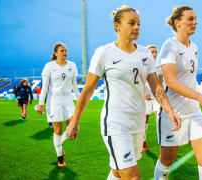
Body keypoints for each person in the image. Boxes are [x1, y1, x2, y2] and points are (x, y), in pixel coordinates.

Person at [66, 6, 181, 180]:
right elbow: (88, 89)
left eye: (138, 24)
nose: (137, 27)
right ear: (117, 26)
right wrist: (75, 121)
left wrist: (170, 111)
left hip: (137, 122)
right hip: (115, 123)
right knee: (132, 176)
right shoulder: (104, 53)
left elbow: (157, 88)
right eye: (132, 23)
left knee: (118, 172)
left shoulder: (145, 54)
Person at [154, 6, 202, 180]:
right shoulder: (169, 45)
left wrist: (197, 100)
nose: (195, 22)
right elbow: (171, 81)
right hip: (173, 114)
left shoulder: (194, 46)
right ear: (177, 23)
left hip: (194, 112)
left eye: (195, 18)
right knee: (166, 161)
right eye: (190, 19)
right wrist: (200, 96)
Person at [37, 42, 80, 167]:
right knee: (58, 129)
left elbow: (75, 85)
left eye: (66, 50)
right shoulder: (49, 66)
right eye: (62, 51)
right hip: (53, 101)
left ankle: (59, 144)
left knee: (74, 128)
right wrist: (40, 104)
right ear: (56, 53)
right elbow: (44, 87)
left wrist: (79, 100)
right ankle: (60, 158)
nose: (65, 52)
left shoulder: (72, 65)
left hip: (68, 100)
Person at [143, 45, 162, 151]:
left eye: (155, 52)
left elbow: (160, 81)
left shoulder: (158, 66)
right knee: (144, 121)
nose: (154, 54)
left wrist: (163, 94)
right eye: (152, 52)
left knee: (160, 119)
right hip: (146, 98)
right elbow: (139, 81)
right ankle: (143, 141)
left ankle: (162, 143)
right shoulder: (142, 64)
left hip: (157, 98)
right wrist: (144, 92)